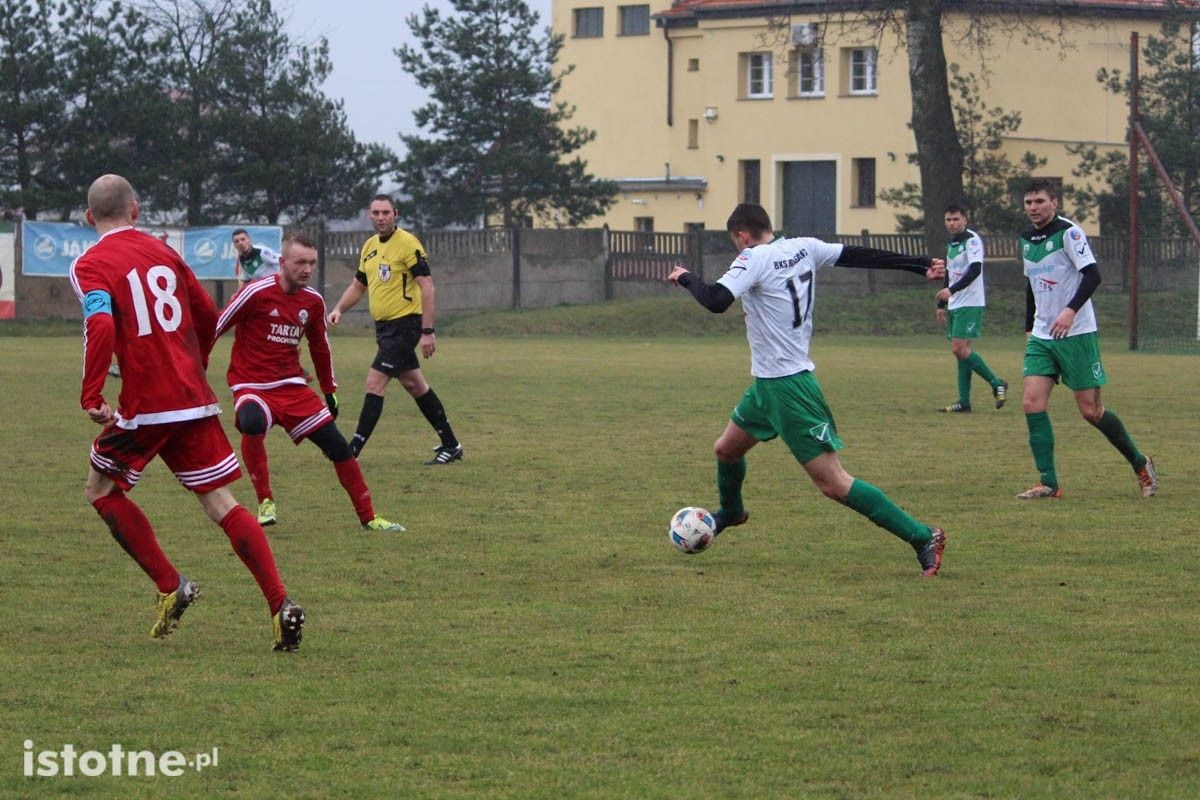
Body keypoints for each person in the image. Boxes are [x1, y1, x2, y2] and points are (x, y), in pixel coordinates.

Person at [68, 174, 305, 651]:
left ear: (91, 218)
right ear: (135, 210)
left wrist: (92, 393)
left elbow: (100, 322)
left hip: (145, 404)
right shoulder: (165, 252)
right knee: (222, 503)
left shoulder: (89, 263)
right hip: (191, 397)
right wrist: (195, 365)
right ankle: (280, 604)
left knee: (100, 490)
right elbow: (206, 314)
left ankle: (169, 584)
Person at [666, 202, 948, 576]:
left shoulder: (753, 258)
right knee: (727, 450)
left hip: (790, 389)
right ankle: (732, 512)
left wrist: (687, 277)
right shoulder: (804, 247)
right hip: (766, 385)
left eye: (738, 242)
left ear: (741, 236)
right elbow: (858, 255)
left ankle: (921, 535)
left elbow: (717, 300)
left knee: (834, 483)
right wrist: (917, 263)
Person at [213, 233, 406, 532]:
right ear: (282, 262)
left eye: (312, 263)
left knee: (339, 447)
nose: (307, 269)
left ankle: (369, 517)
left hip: (292, 386)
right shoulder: (256, 292)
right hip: (252, 384)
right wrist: (194, 368)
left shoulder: (313, 301)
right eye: (300, 262)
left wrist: (329, 391)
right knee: (251, 420)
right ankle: (265, 501)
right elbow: (216, 325)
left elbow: (320, 347)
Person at [1016, 179, 1157, 499]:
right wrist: (1029, 325)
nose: (1033, 208)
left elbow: (1093, 274)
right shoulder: (1025, 238)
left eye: (1039, 201)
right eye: (1028, 202)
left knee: (1090, 411)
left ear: (1054, 202)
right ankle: (1049, 483)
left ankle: (1140, 462)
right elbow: (1031, 282)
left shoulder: (1070, 233)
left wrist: (1069, 311)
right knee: (1031, 402)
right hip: (1042, 335)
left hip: (1076, 332)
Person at [327, 194, 463, 464]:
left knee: (374, 382)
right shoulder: (369, 247)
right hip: (385, 329)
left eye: (385, 212)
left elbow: (427, 286)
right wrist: (339, 308)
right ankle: (451, 444)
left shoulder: (408, 244)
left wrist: (427, 331)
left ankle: (352, 451)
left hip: (406, 326)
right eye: (376, 213)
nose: (381, 217)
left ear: (395, 214)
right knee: (415, 385)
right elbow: (358, 286)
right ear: (369, 215)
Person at [934, 204, 1007, 413]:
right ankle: (964, 401)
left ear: (965, 220)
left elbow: (975, 269)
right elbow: (949, 273)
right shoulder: (951, 243)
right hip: (956, 302)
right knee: (961, 353)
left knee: (959, 349)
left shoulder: (972, 240)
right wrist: (942, 303)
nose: (952, 223)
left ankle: (997, 383)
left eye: (956, 219)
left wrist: (952, 290)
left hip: (970, 302)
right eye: (948, 220)